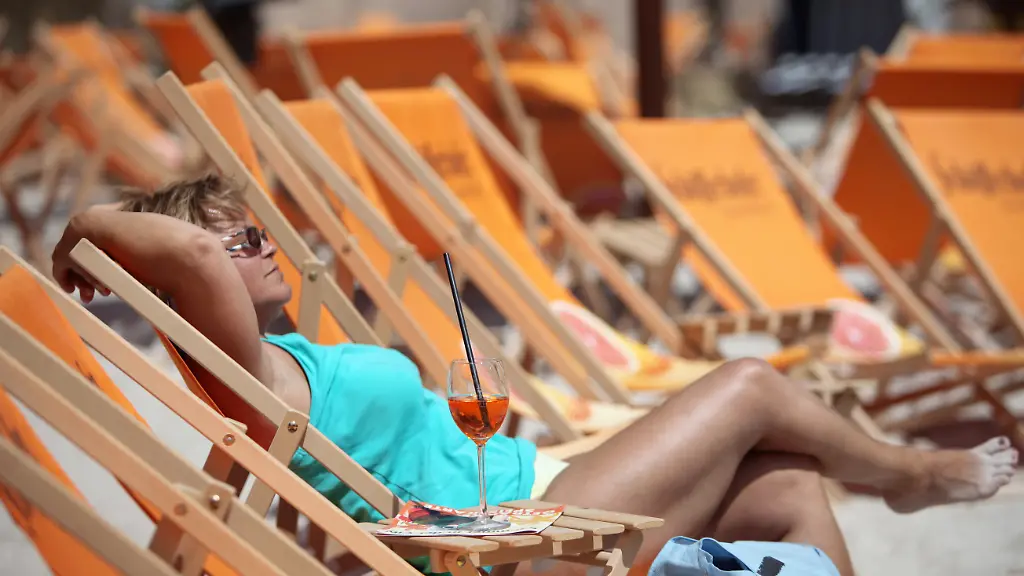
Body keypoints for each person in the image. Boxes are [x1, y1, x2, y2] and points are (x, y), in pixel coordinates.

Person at [52, 175, 1017, 576]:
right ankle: (906, 475)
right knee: (752, 387)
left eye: (260, 232)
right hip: (511, 543)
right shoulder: (243, 374)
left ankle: (887, 482)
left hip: (532, 494)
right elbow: (191, 256)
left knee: (793, 485)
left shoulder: (293, 361)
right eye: (237, 244)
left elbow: (317, 506)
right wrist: (89, 226)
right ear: (192, 285)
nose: (262, 248)